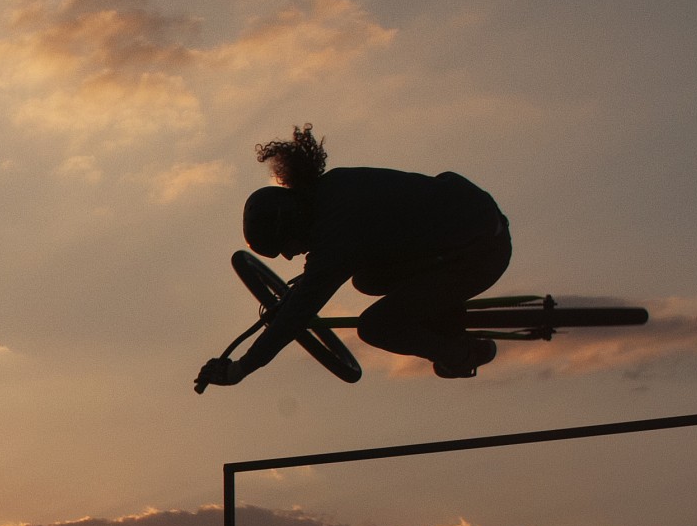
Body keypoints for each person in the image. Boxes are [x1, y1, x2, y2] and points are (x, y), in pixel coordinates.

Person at [199, 126, 512, 385]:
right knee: (366, 280)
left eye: (287, 247)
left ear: (289, 222)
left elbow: (300, 311)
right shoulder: (333, 190)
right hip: (475, 223)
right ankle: (439, 313)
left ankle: (461, 353)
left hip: (482, 253)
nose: (293, 255)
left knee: (376, 327)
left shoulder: (337, 230)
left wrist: (241, 368)